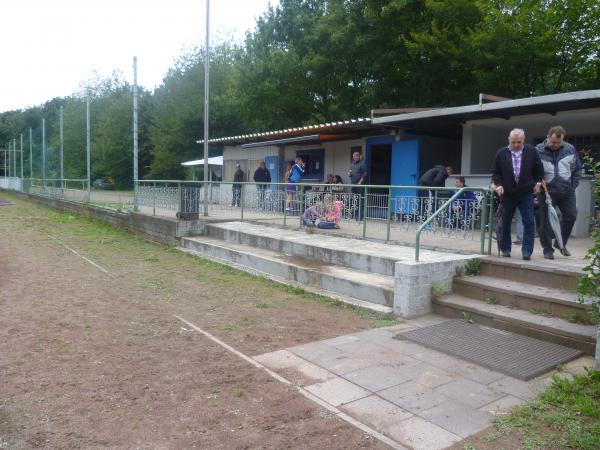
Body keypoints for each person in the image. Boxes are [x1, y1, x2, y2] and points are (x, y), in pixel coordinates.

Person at [492, 128, 544, 260]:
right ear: (509, 140)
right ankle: (505, 249)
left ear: (523, 141)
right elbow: (496, 173)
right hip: (508, 194)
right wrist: (498, 185)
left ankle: (527, 251)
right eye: (513, 142)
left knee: (528, 222)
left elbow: (539, 171)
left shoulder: (532, 151)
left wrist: (538, 183)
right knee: (505, 222)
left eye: (519, 142)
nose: (516, 145)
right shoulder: (501, 153)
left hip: (526, 192)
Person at [536, 126, 583, 259]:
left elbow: (577, 169)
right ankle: (547, 250)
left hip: (566, 191)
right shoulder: (538, 151)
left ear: (563, 139)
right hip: (546, 192)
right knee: (545, 221)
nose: (555, 145)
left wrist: (572, 186)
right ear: (547, 137)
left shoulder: (570, 149)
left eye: (558, 142)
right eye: (553, 142)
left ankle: (560, 243)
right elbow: (532, 171)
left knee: (571, 216)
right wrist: (538, 183)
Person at [348, 151, 366, 220]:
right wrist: (349, 174)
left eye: (356, 156)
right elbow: (350, 173)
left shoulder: (362, 164)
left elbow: (364, 174)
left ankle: (360, 216)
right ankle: (354, 215)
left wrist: (360, 182)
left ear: (359, 157)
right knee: (354, 200)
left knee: (360, 200)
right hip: (353, 184)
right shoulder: (352, 164)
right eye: (354, 156)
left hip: (360, 185)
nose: (355, 157)